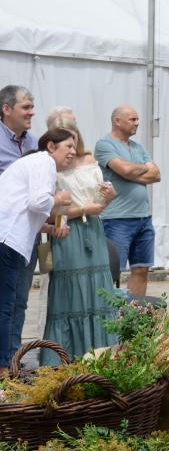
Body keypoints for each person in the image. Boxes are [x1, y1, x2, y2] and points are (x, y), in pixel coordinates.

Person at [42, 121, 118, 364]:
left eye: (74, 141)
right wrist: (82, 209)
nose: (72, 149)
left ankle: (100, 353)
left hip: (92, 230)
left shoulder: (89, 160)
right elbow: (49, 216)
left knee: (98, 292)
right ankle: (66, 357)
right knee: (67, 295)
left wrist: (107, 200)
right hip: (65, 233)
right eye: (67, 144)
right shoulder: (46, 169)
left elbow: (98, 206)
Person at [0, 129, 77, 366]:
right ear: (51, 147)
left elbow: (25, 211)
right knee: (6, 307)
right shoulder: (44, 163)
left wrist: (51, 229)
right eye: (68, 146)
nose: (73, 152)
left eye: (75, 147)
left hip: (8, 238)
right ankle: (4, 369)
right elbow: (38, 202)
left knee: (7, 305)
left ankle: (5, 364)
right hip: (8, 242)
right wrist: (60, 199)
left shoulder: (34, 163)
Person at [95, 106, 161, 296]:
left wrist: (130, 172)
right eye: (132, 119)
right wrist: (137, 170)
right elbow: (125, 170)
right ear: (117, 121)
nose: (137, 123)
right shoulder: (104, 145)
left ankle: (133, 316)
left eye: (137, 119)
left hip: (144, 218)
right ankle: (110, 318)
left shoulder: (138, 147)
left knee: (141, 269)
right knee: (113, 271)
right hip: (117, 219)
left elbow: (156, 175)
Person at [0, 85, 39, 356]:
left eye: (31, 107)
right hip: (4, 234)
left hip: (28, 234)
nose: (31, 112)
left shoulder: (34, 142)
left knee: (20, 299)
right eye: (25, 107)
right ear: (6, 109)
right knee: (4, 300)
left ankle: (12, 357)